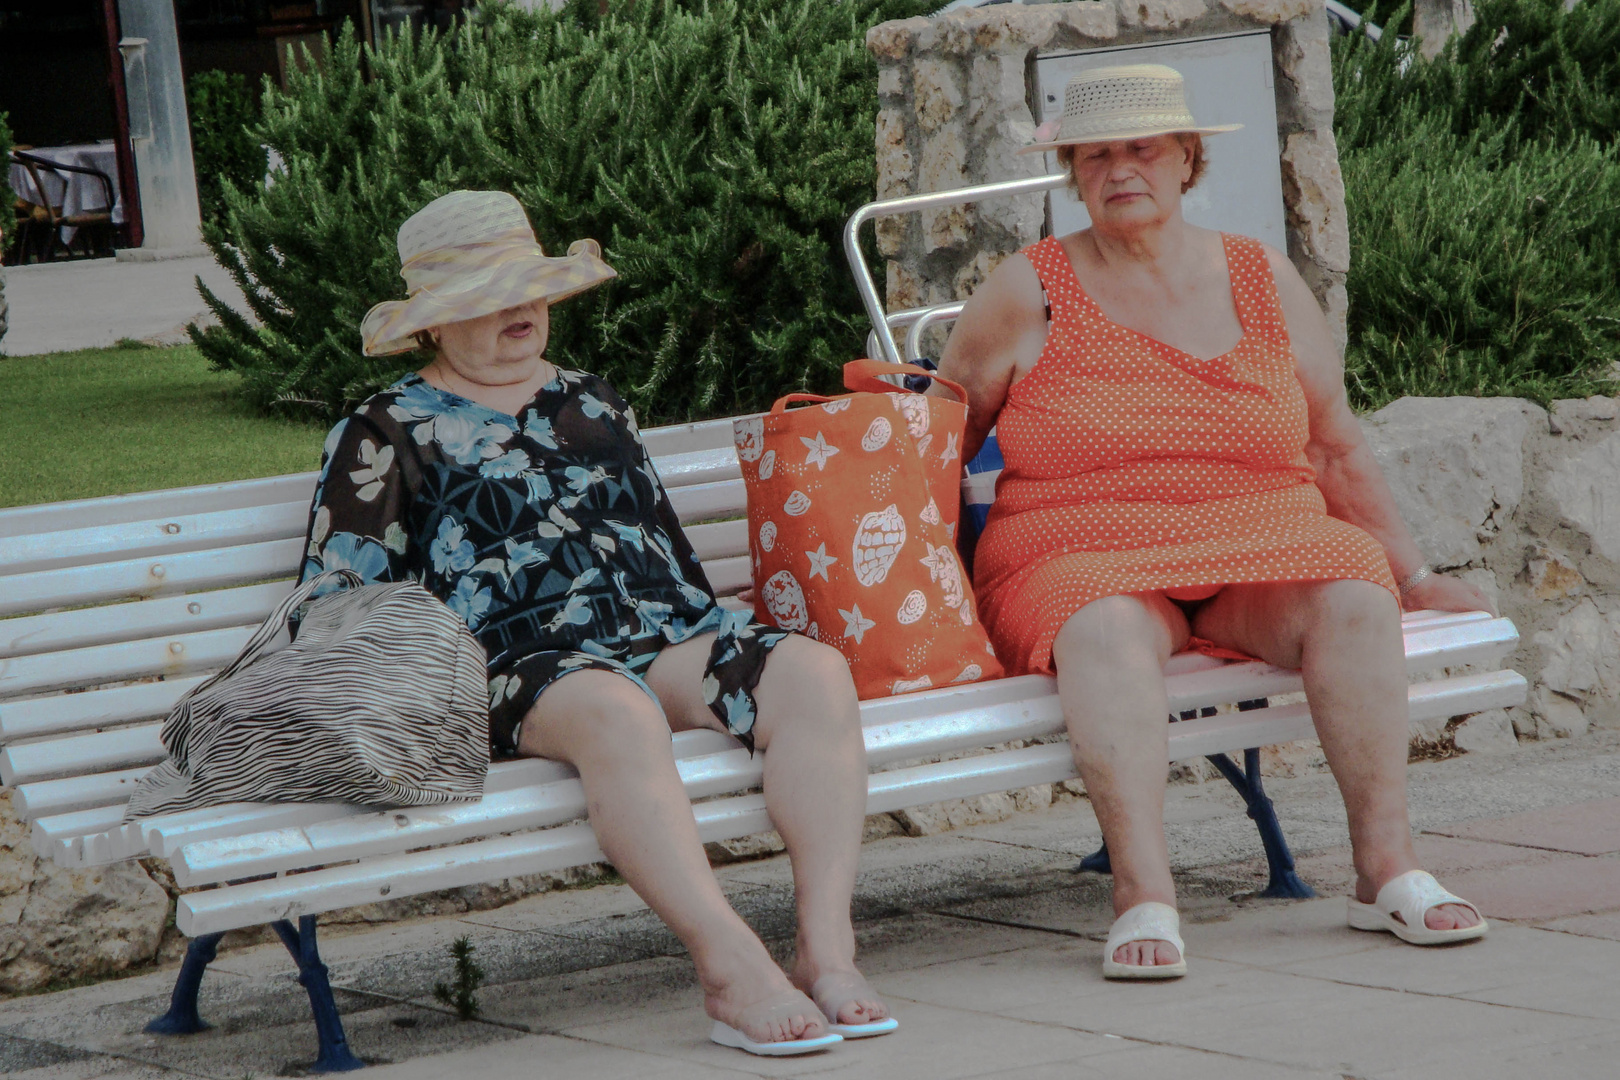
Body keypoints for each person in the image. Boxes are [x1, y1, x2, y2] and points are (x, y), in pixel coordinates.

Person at [301, 190, 893, 1053]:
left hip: (657, 636)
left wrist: (730, 644)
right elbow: (339, 605)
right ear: (434, 322)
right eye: (488, 295)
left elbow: (662, 548)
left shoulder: (592, 400)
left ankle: (828, 953)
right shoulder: (383, 430)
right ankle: (730, 966)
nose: (519, 310)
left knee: (811, 672)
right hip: (514, 668)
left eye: (528, 288)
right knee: (615, 707)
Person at [933, 65, 1488, 980]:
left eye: (1142, 148)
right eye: (1095, 153)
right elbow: (941, 449)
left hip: (1256, 539)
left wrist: (1413, 574)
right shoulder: (1023, 291)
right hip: (1081, 548)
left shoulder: (1262, 277)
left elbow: (1335, 444)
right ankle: (1143, 893)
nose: (1120, 168)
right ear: (1072, 170)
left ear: (1187, 158)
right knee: (1105, 625)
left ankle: (1387, 869)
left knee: (1354, 594)